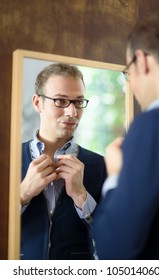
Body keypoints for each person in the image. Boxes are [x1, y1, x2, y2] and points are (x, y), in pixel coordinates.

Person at [92, 15, 159, 260]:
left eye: (128, 73)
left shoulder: (155, 126)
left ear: (141, 60)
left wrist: (116, 175)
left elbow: (114, 251)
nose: (132, 85)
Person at [20, 63, 107, 260]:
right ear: (37, 103)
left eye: (78, 102)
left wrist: (82, 197)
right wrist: (21, 195)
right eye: (60, 101)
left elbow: (117, 236)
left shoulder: (102, 166)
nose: (72, 112)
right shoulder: (6, 159)